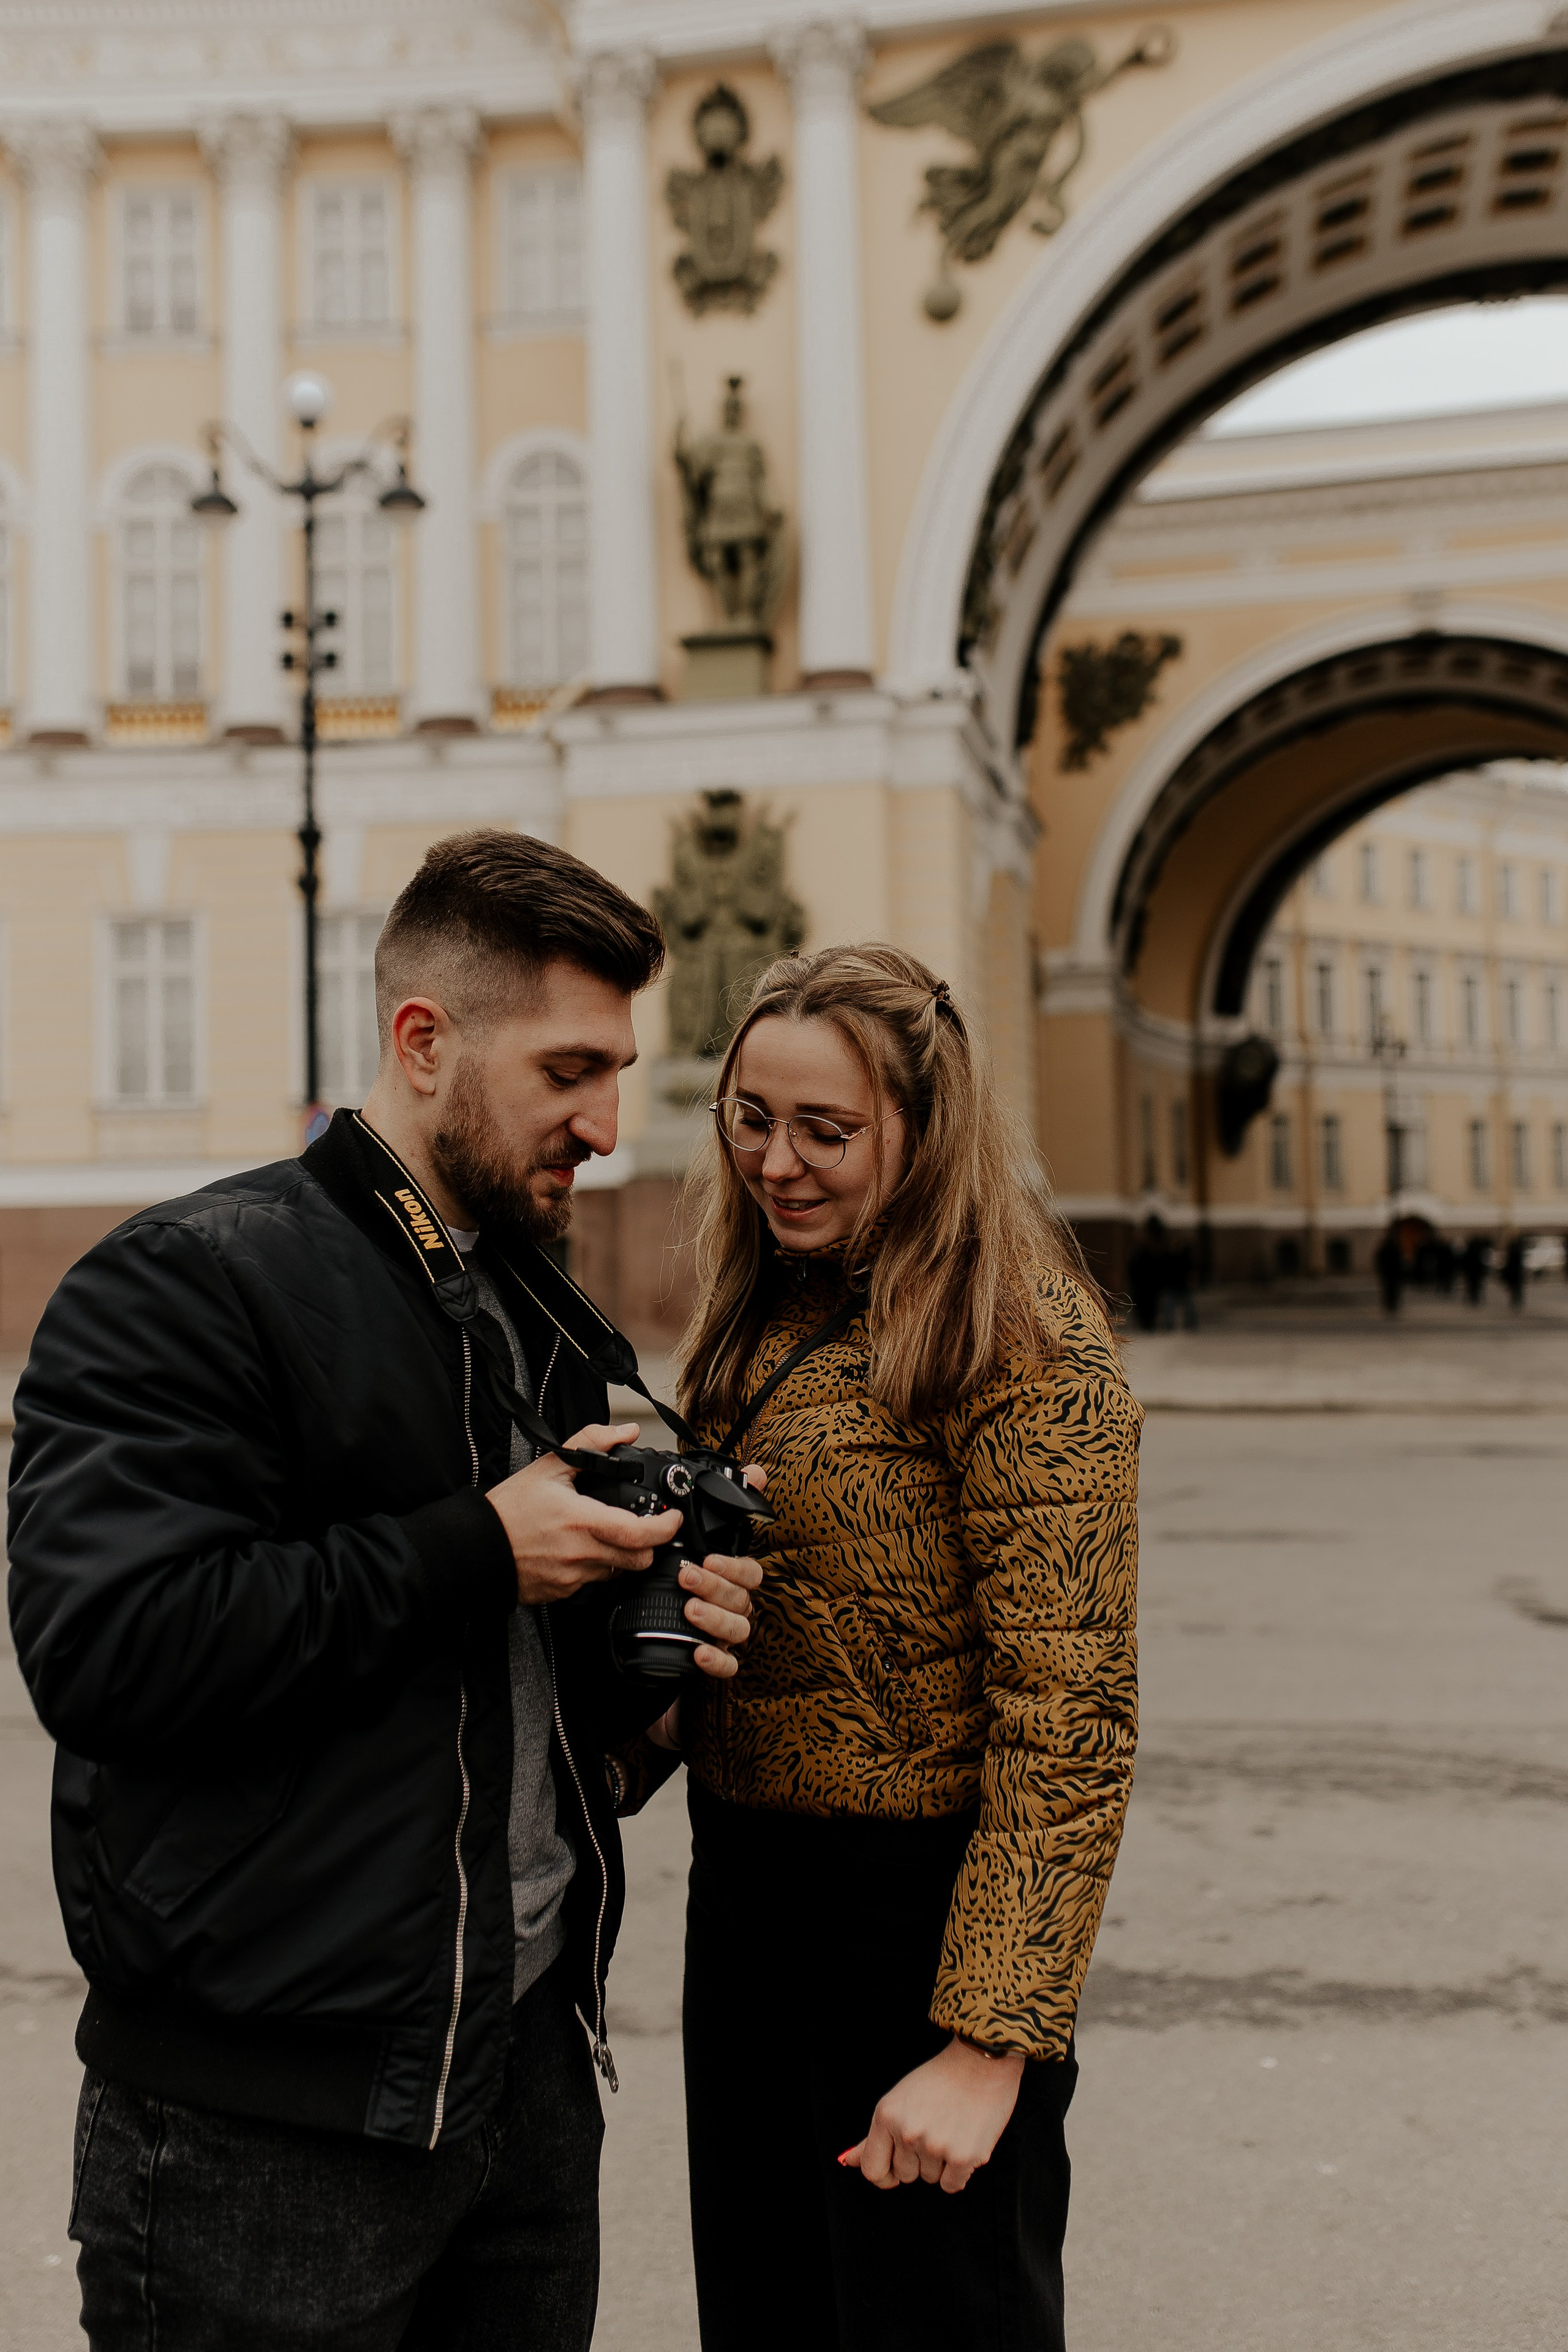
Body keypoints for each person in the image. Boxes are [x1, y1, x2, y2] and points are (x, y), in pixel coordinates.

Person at [6, 830, 762, 2352]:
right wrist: (481, 1547)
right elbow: (110, 1648)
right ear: (423, 1041)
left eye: (617, 1071)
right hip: (264, 2127)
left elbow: (510, 1713)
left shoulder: (548, 1317)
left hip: (524, 2075)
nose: (607, 1124)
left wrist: (655, 1673)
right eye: (567, 1071)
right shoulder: (189, 1282)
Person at [624, 944, 1140, 2352]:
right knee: (766, 2318)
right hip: (744, 1907)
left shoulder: (1023, 1343)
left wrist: (986, 2050)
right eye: (749, 1118)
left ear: (923, 1133)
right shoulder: (762, 1318)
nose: (774, 1162)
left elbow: (1070, 1718)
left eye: (824, 1131)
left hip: (913, 1932)